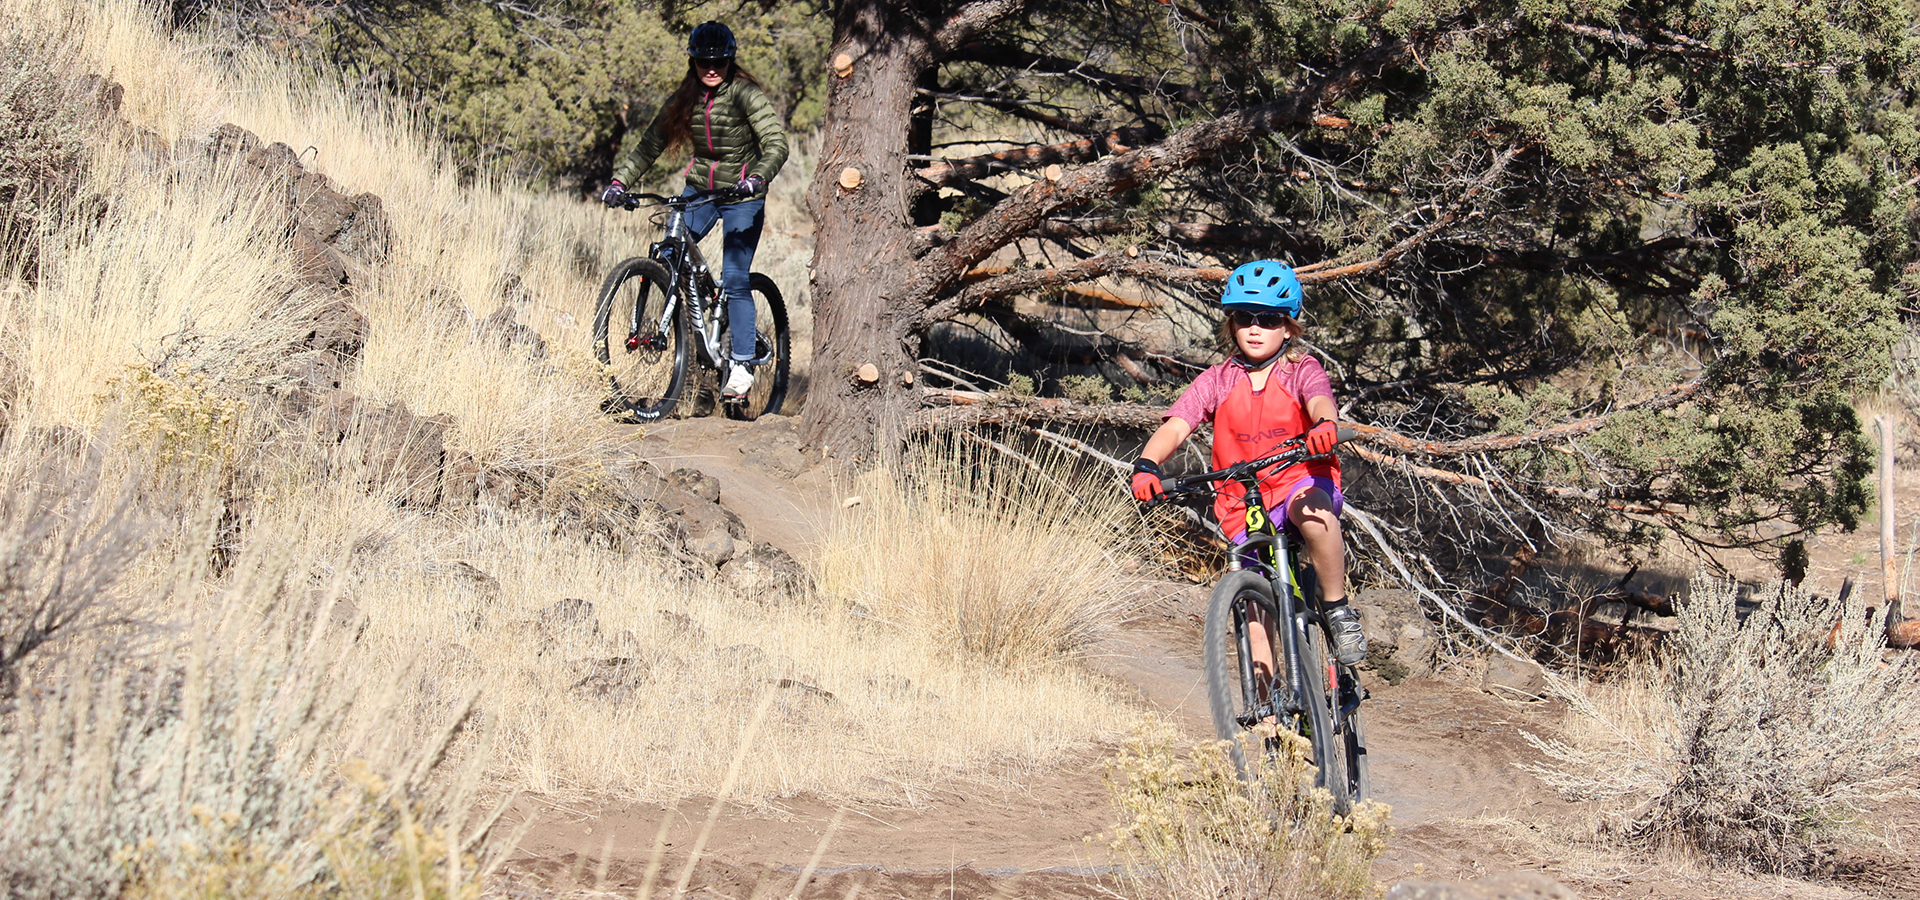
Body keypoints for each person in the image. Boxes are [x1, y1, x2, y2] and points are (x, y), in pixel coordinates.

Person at [1128, 260, 1368, 665]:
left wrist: (1326, 424)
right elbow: (1176, 425)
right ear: (1231, 322)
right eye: (1244, 316)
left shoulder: (1300, 369)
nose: (1255, 328)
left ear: (1289, 325)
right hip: (1243, 501)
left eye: (1269, 318)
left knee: (1313, 516)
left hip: (1300, 478)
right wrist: (1147, 464)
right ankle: (1269, 710)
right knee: (1254, 611)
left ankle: (1337, 606)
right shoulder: (1218, 379)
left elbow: (1319, 400)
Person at [599, 21, 789, 400]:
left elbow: (775, 142)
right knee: (668, 255)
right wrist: (620, 182)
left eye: (718, 61)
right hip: (701, 189)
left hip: (742, 194)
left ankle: (741, 363)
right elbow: (650, 143)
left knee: (735, 278)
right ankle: (692, 345)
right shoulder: (687, 97)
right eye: (704, 61)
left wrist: (759, 177)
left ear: (730, 60)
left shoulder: (745, 94)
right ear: (694, 62)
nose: (711, 68)